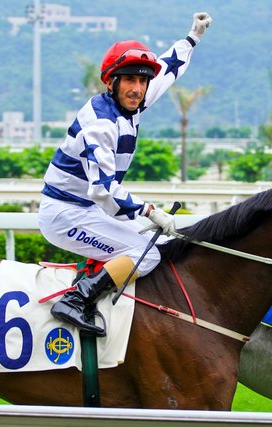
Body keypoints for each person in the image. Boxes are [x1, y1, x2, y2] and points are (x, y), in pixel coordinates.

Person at [38, 12, 212, 336]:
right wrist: (149, 210)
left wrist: (192, 37)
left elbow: (168, 68)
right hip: (65, 214)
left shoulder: (131, 102)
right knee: (145, 255)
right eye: (130, 80)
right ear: (111, 82)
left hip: (88, 208)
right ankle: (77, 299)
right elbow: (103, 190)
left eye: (143, 81)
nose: (138, 88)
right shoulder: (100, 125)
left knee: (160, 242)